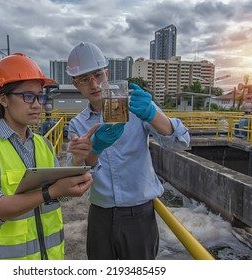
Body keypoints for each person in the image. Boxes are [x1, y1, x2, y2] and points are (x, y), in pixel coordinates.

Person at [0, 53, 94, 260]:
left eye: (40, 96)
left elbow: (57, 198)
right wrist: (51, 192)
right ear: (3, 99)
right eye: (28, 96)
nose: (37, 104)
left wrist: (77, 164)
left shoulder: (44, 144)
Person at [65, 42, 191, 260]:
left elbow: (181, 142)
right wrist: (89, 151)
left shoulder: (135, 107)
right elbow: (75, 175)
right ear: (76, 84)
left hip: (140, 215)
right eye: (84, 79)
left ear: (107, 73)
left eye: (97, 75)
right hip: (100, 215)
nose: (94, 84)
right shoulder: (78, 125)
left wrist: (152, 113)